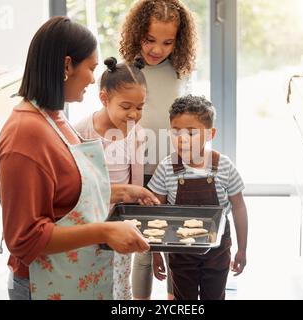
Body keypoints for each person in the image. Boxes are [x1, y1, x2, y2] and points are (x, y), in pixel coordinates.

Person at [0, 16, 159, 300]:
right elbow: (25, 238)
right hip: (43, 283)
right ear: (67, 66)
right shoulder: (26, 135)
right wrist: (105, 231)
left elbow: (68, 196)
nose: (94, 78)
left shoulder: (53, 118)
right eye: (91, 68)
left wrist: (121, 191)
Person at [119, 0, 197, 300]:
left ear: (178, 41)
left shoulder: (180, 70)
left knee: (174, 240)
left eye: (167, 42)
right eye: (149, 39)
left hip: (175, 168)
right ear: (137, 32)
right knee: (143, 244)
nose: (157, 49)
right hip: (139, 170)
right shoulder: (125, 70)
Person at [149, 95, 248, 300]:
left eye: (192, 133)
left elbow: (239, 207)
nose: (182, 139)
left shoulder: (224, 166)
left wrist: (242, 249)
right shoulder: (167, 167)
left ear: (210, 134)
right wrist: (155, 252)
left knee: (215, 296)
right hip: (180, 253)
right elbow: (155, 212)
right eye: (175, 132)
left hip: (218, 251)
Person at [75, 56, 148, 300]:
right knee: (92, 279)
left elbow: (135, 184)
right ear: (104, 99)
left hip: (120, 222)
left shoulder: (136, 135)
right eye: (126, 107)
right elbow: (77, 180)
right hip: (89, 222)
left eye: (140, 107)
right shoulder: (81, 131)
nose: (134, 115)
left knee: (120, 282)